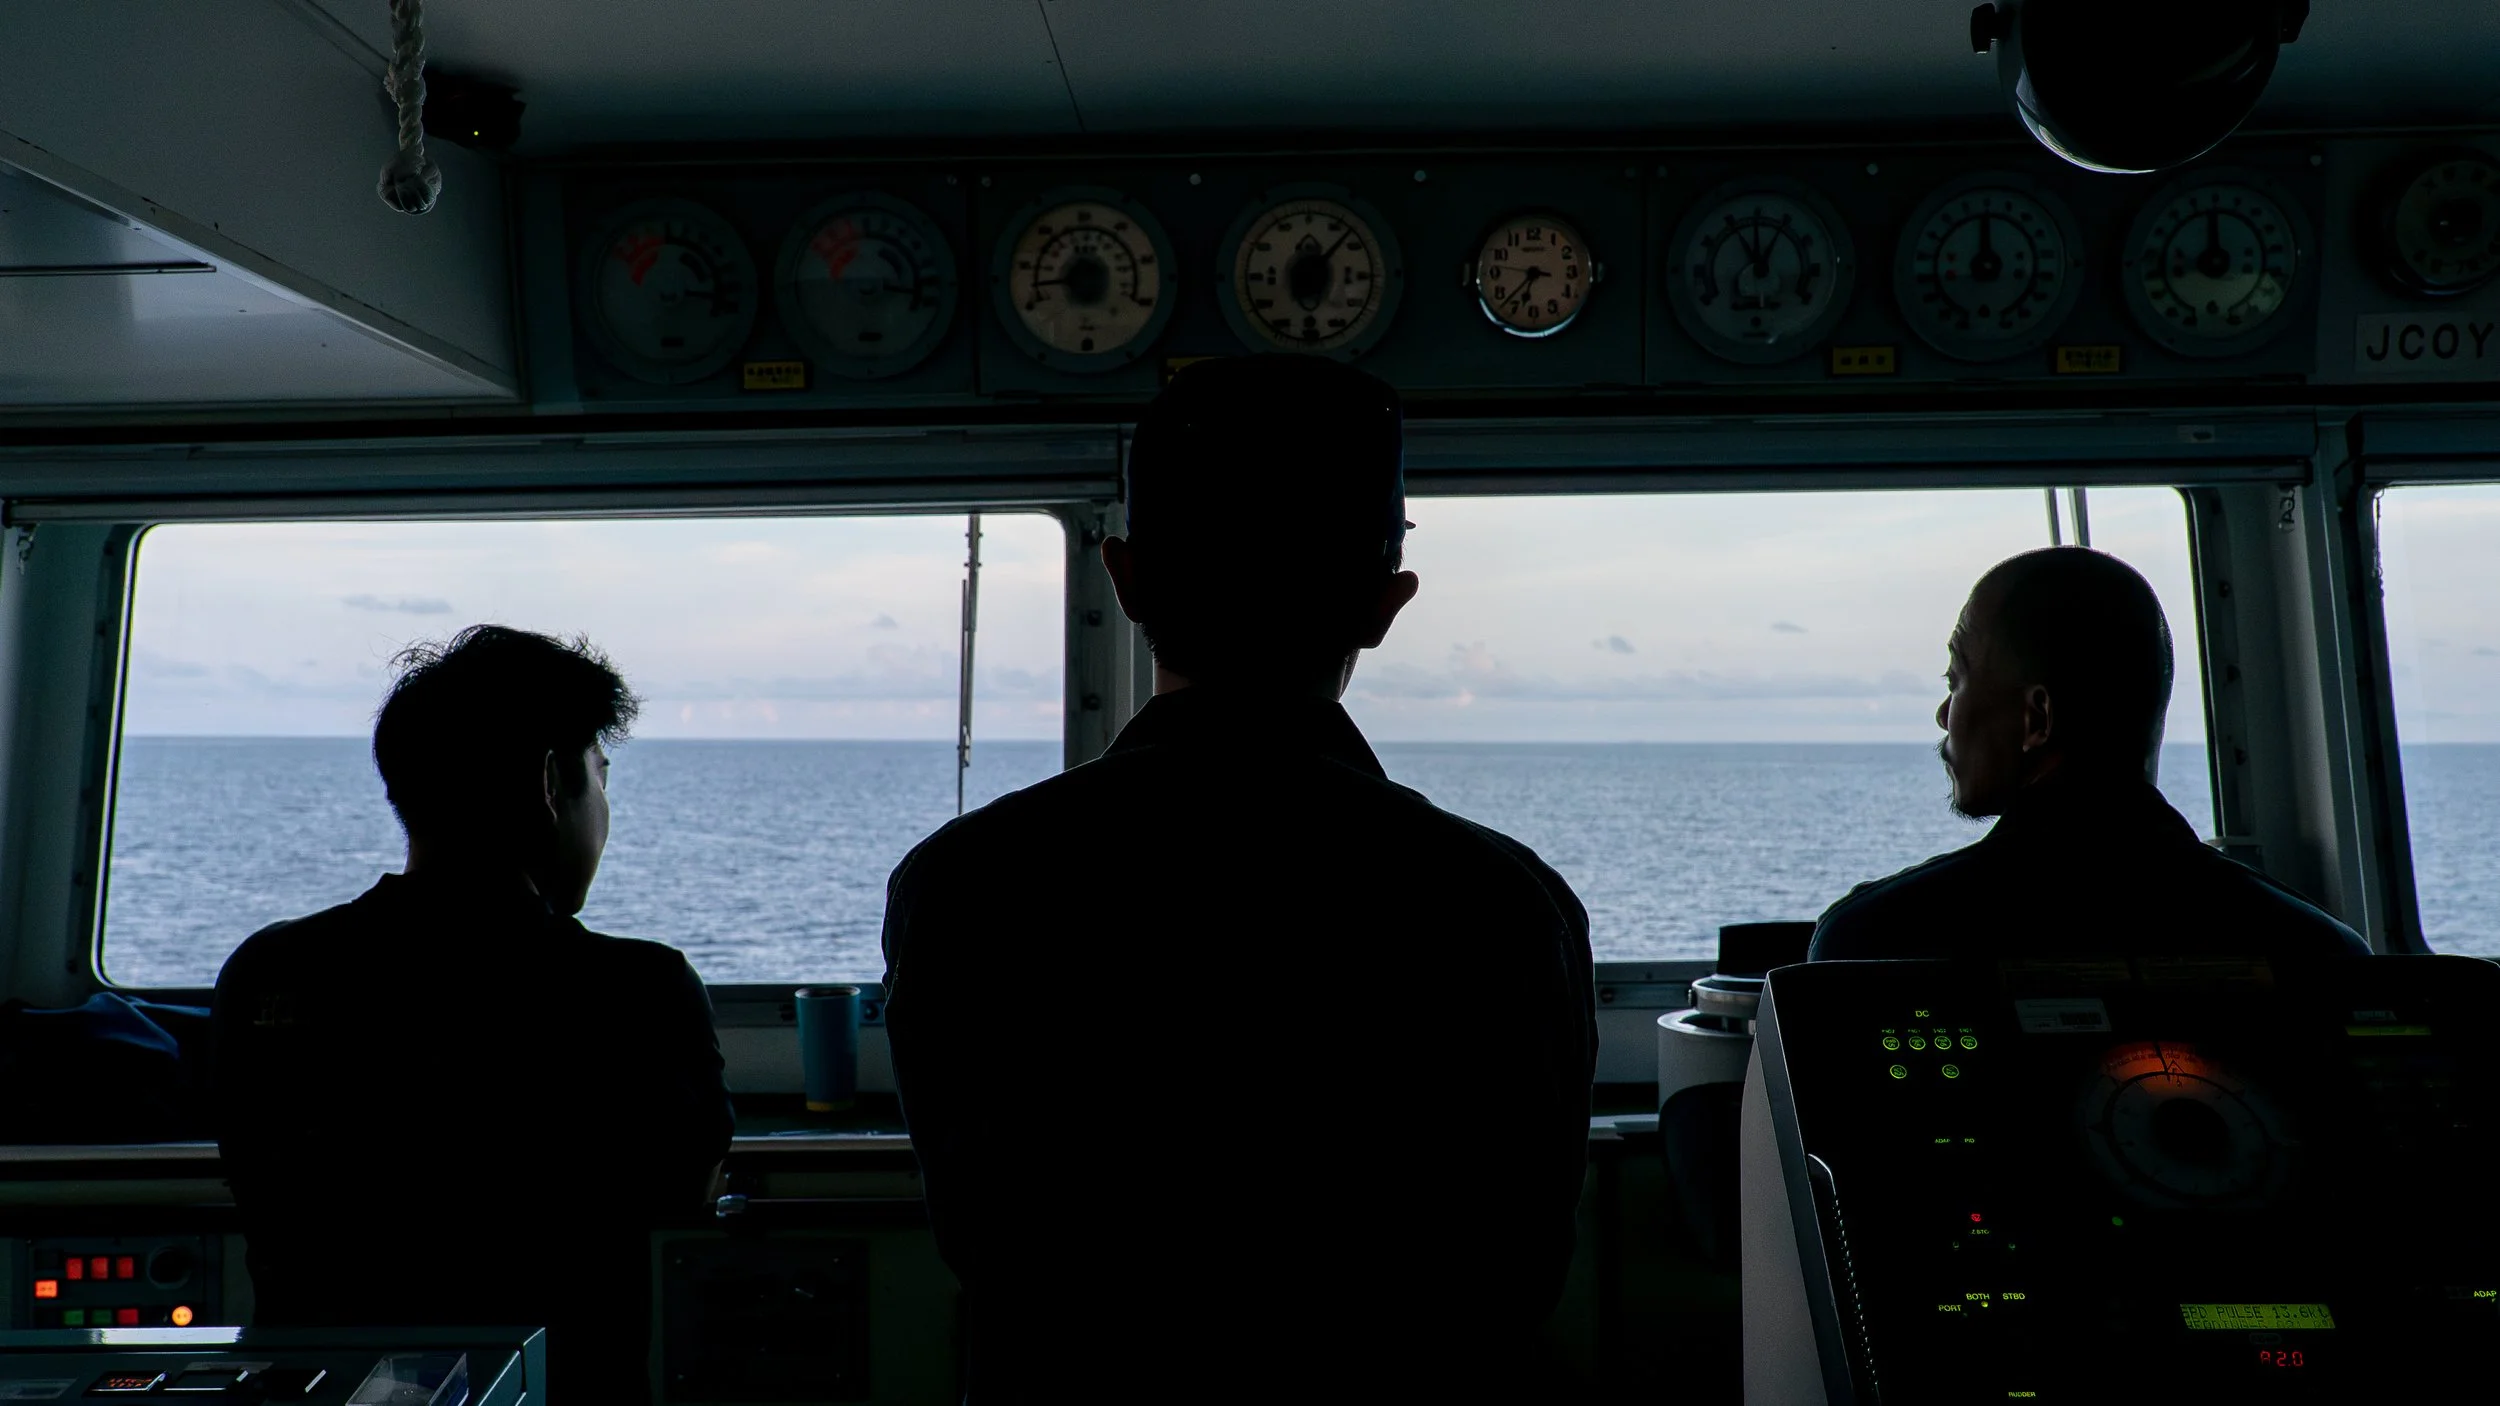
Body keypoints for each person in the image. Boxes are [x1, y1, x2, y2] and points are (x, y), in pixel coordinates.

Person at [882, 356, 1598, 1402]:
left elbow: (983, 1237)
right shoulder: (1503, 902)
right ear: (1384, 604)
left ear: (1125, 581)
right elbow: (1518, 1274)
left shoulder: (963, 881)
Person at [214, 626, 733, 1405]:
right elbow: (682, 1193)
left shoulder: (268, 973)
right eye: (601, 776)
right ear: (554, 782)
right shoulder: (635, 989)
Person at [1812, 547, 2368, 961]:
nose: (1943, 714)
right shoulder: (2323, 948)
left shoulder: (1876, 939)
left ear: (2037, 719)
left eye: (1955, 678)